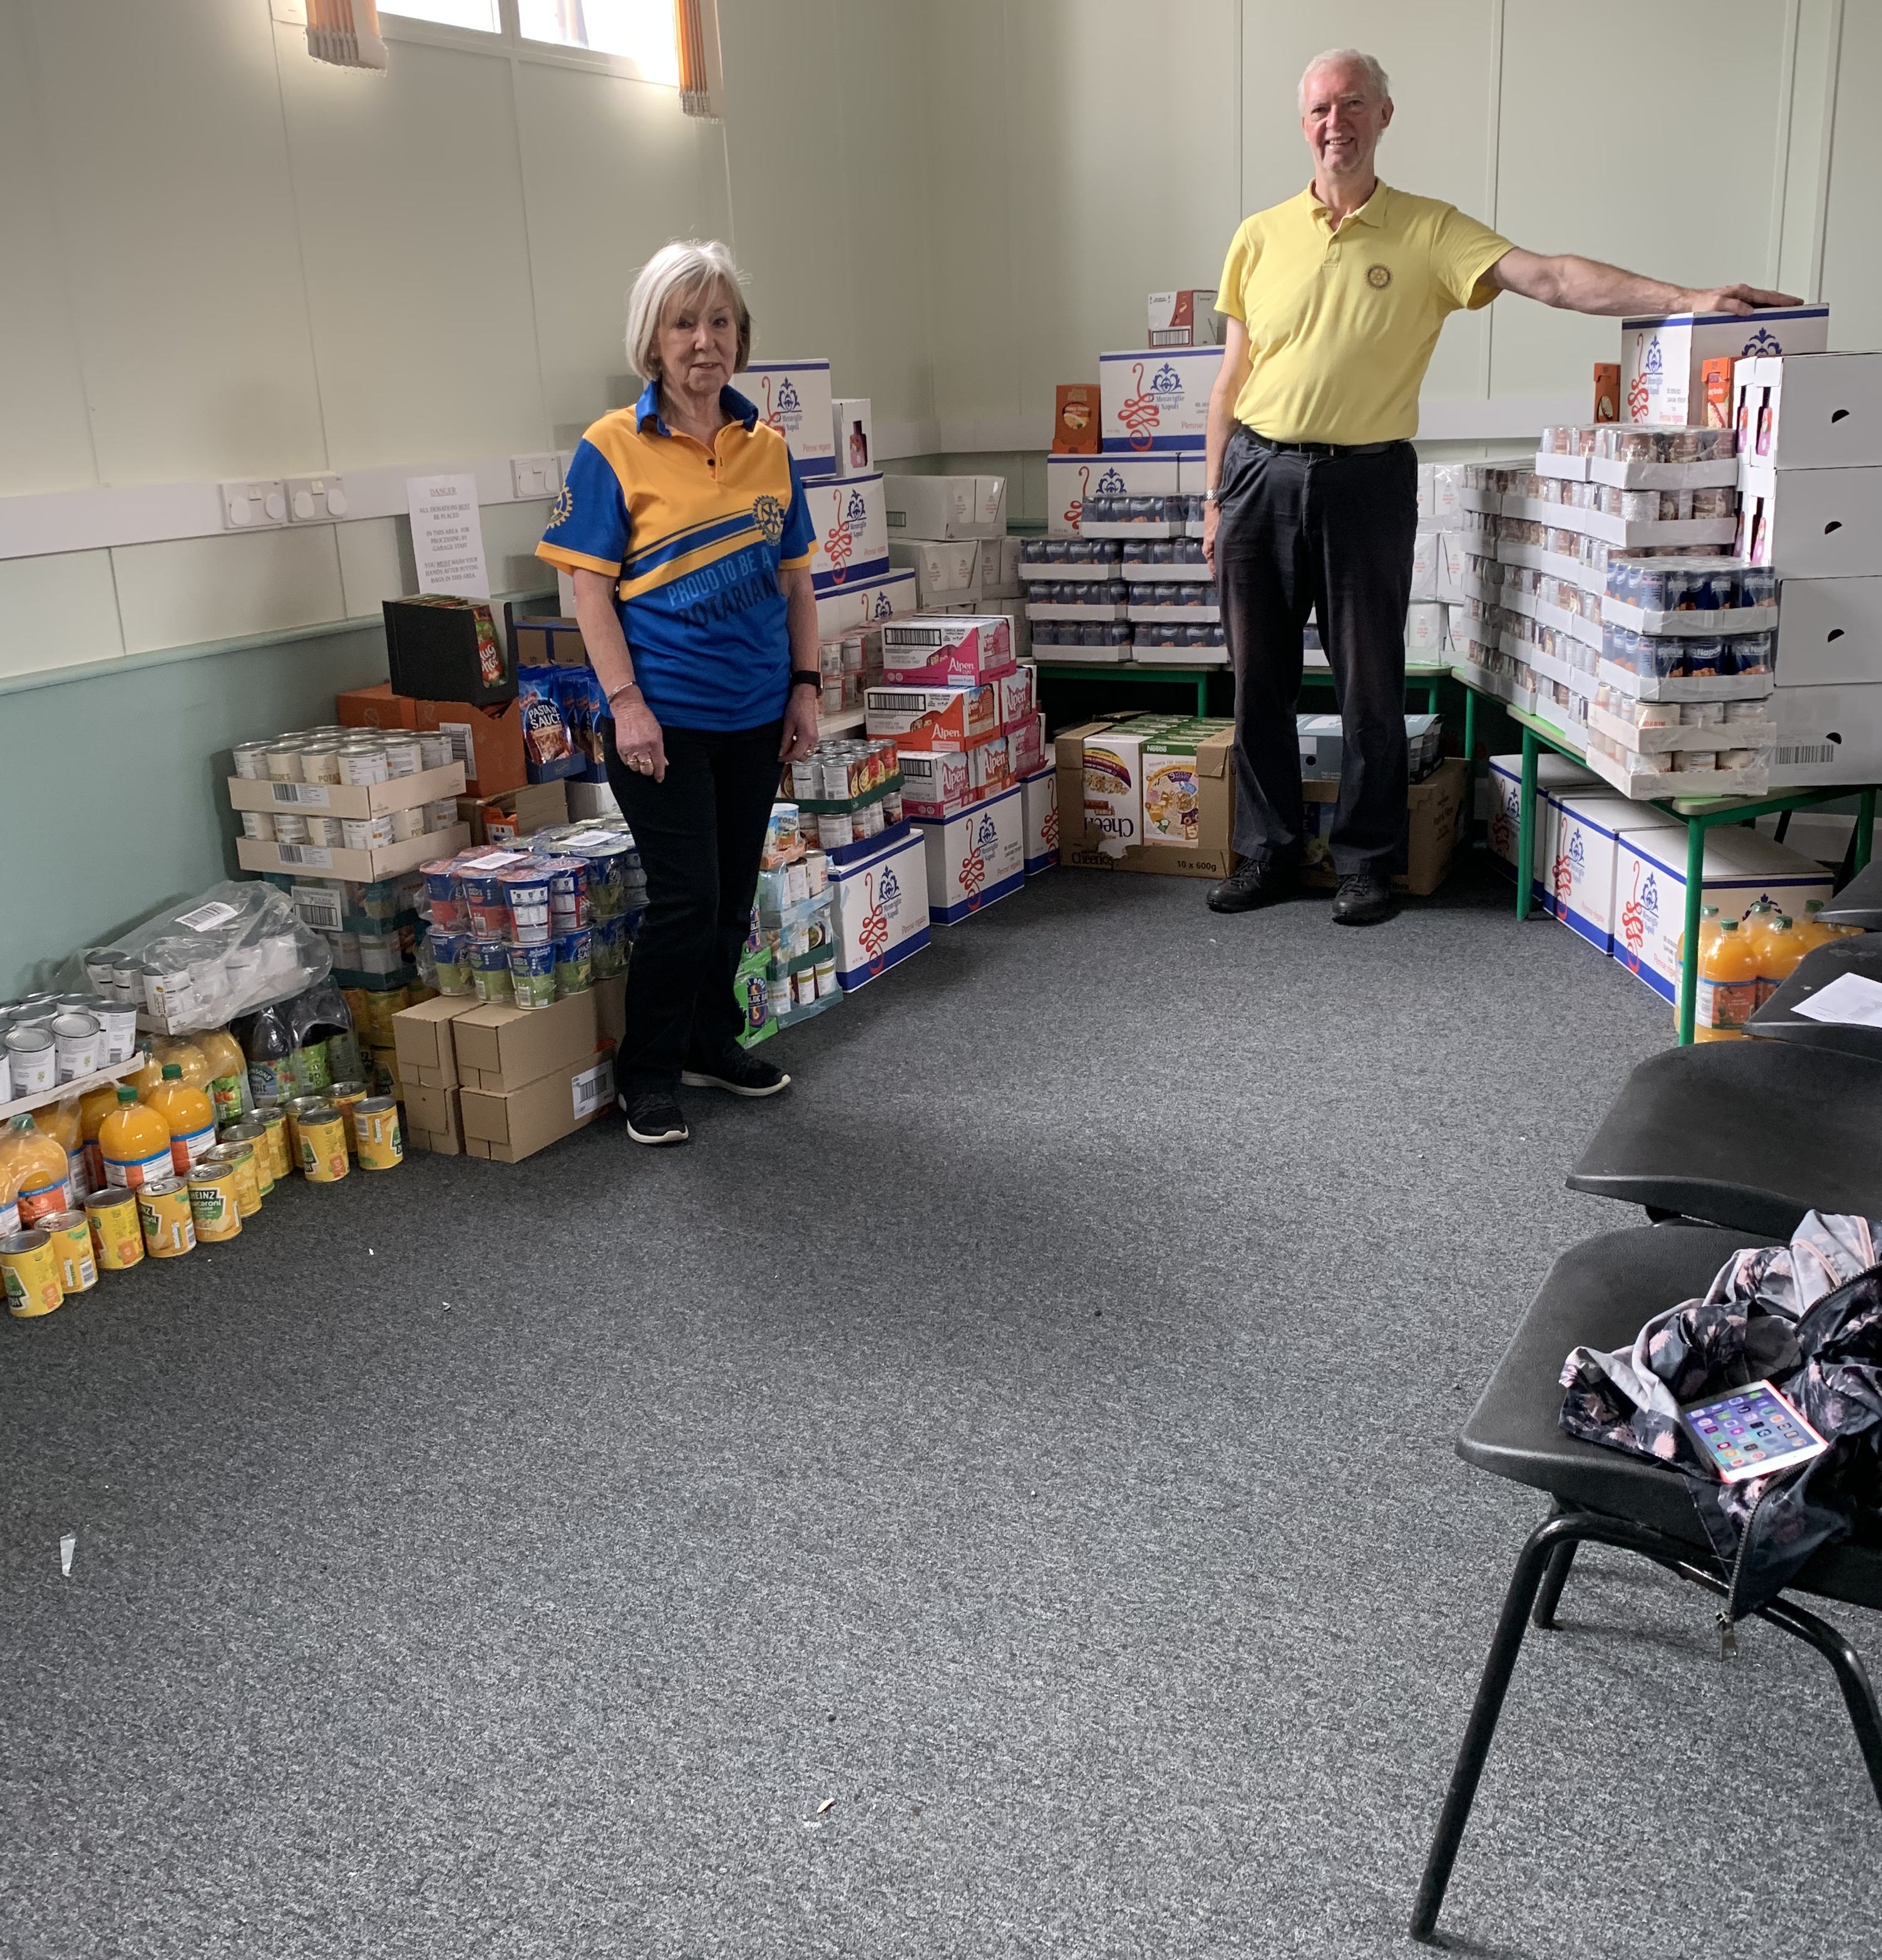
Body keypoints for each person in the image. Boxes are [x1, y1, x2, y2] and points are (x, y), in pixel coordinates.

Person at [1203, 48, 1796, 927]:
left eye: (1353, 104)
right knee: (1258, 680)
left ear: (1383, 115)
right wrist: (1214, 498)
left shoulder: (1429, 230)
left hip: (1366, 477)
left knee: (1369, 682)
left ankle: (1366, 862)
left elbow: (1551, 277)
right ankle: (1268, 851)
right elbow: (1229, 379)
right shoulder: (1258, 235)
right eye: (1321, 109)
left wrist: (1689, 299)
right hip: (1256, 473)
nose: (1336, 123)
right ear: (1303, 123)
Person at [536, 240, 823, 1147]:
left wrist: (806, 688)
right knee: (686, 898)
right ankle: (648, 1074)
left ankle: (709, 1040)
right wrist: (626, 704)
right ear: (652, 342)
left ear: (741, 336)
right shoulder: (611, 447)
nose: (705, 340)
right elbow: (587, 591)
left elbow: (796, 583)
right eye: (684, 323)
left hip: (756, 713)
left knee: (733, 896)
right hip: (661, 718)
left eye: (720, 321)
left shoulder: (768, 448)